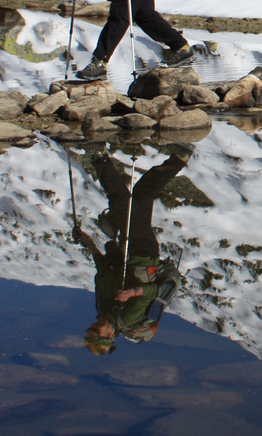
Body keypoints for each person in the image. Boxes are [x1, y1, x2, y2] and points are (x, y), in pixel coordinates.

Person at [74, 144, 189, 353]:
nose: (93, 326)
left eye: (90, 328)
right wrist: (132, 293)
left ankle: (179, 158)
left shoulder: (103, 309)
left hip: (128, 252)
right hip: (143, 255)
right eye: (95, 331)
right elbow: (152, 292)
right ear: (109, 336)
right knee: (122, 202)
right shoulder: (126, 318)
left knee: (141, 195)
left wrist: (88, 243)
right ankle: (98, 155)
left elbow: (104, 273)